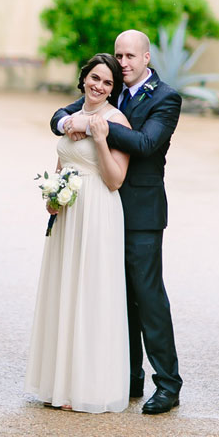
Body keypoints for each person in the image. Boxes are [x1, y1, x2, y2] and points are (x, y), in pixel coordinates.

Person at [51, 29, 182, 415]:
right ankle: (129, 377)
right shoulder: (109, 88)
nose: (122, 62)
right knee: (115, 295)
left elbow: (144, 144)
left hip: (141, 212)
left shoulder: (165, 98)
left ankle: (168, 384)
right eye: (118, 55)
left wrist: (94, 125)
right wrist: (67, 123)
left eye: (129, 56)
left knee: (148, 295)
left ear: (146, 59)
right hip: (101, 211)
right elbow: (63, 113)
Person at [25, 53, 132, 413]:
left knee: (90, 292)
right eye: (94, 78)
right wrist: (52, 197)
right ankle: (60, 383)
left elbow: (116, 180)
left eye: (107, 83)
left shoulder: (116, 121)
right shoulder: (68, 118)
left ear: (113, 90)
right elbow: (63, 161)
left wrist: (101, 139)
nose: (99, 86)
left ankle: (88, 386)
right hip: (68, 212)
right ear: (84, 77)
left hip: (98, 211)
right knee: (64, 289)